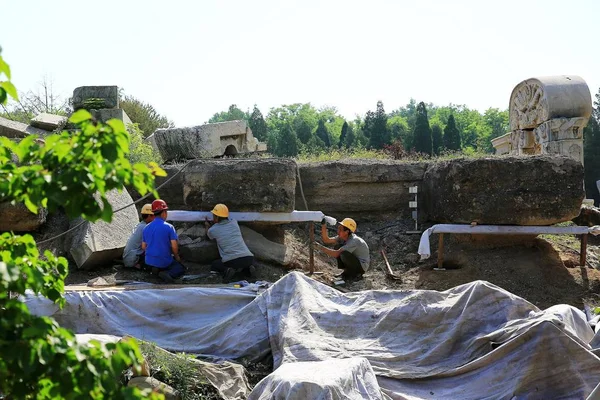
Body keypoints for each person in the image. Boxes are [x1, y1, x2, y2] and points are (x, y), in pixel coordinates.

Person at [204, 203, 255, 282]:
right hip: (248, 257)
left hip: (232, 260)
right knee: (243, 266)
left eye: (214, 215)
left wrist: (207, 225)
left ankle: (227, 270)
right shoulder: (234, 223)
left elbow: (208, 236)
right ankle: (248, 269)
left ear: (216, 217)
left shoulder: (213, 230)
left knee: (215, 265)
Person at [142, 199, 185, 283]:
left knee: (154, 261)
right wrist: (177, 258)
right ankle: (168, 273)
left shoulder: (146, 227)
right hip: (164, 262)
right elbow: (174, 247)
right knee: (180, 268)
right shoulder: (169, 227)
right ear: (164, 212)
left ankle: (154, 270)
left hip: (149, 261)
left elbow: (143, 247)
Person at [122, 203, 155, 270]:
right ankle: (143, 266)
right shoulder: (145, 228)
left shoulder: (141, 225)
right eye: (154, 215)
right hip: (132, 260)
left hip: (129, 257)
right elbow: (147, 246)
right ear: (149, 216)